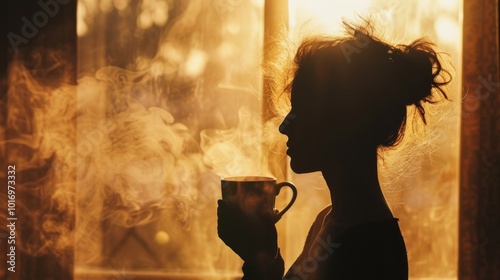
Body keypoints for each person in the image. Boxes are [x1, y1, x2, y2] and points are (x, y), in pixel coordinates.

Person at [217, 21, 451, 280]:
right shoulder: (330, 219)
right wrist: (263, 253)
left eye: (301, 112)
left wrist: (256, 257)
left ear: (345, 123)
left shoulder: (367, 247)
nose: (284, 126)